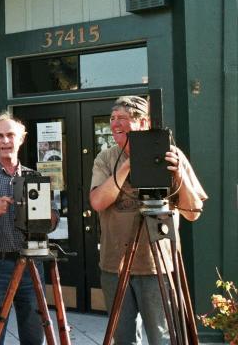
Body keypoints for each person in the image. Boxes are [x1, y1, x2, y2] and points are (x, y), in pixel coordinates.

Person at [89, 96, 207, 345]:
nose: (115, 124)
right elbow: (98, 202)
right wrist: (129, 165)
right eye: (112, 118)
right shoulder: (106, 158)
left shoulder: (171, 154)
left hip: (157, 266)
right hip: (114, 265)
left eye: (123, 118)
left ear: (143, 122)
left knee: (162, 338)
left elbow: (193, 211)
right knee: (123, 338)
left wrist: (178, 175)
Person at [0, 111, 59, 345]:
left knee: (34, 333)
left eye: (10, 135)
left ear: (22, 138)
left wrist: (42, 214)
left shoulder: (36, 177)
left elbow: (54, 221)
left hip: (31, 265)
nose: (5, 141)